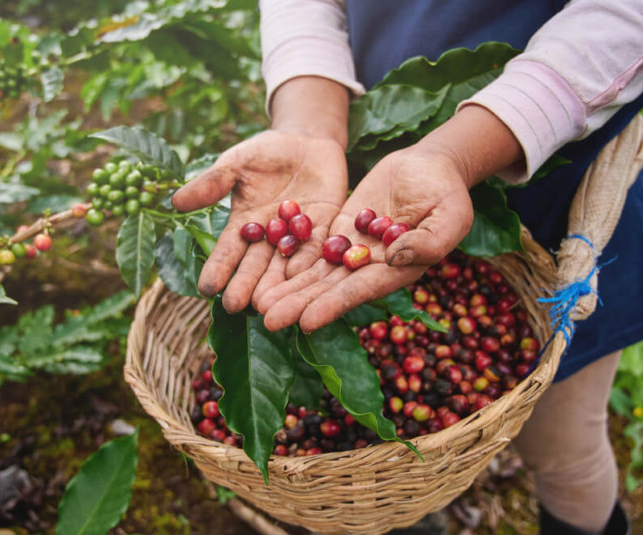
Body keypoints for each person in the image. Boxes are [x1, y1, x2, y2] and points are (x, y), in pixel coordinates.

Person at [172, 1, 643, 533]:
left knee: (567, 449)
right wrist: (310, 123)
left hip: (560, 177)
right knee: (402, 445)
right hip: (377, 172)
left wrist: (457, 155)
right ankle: (411, 509)